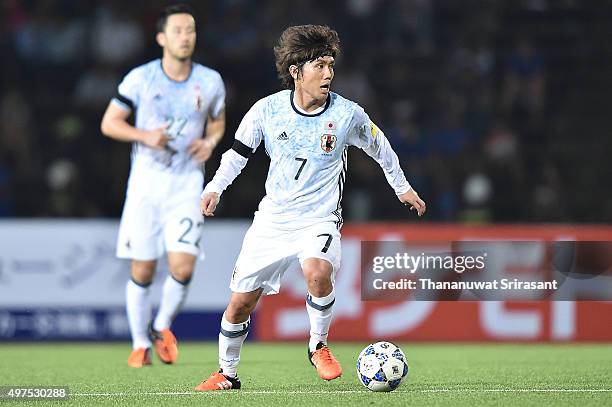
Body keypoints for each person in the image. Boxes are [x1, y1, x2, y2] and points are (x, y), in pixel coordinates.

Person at [195, 25, 425, 391]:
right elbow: (237, 156)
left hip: (319, 219)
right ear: (296, 72)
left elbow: (381, 148)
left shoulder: (348, 115)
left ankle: (318, 345)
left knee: (317, 272)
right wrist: (215, 189)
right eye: (319, 65)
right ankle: (227, 373)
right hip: (272, 221)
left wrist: (403, 188)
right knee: (239, 304)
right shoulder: (266, 111)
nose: (329, 73)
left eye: (331, 65)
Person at [100, 4, 226, 368]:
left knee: (183, 267)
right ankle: (139, 345)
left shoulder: (210, 81)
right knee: (142, 269)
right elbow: (110, 123)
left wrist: (210, 142)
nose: (185, 36)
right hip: (146, 186)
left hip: (187, 183)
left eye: (190, 30)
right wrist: (144, 135)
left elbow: (217, 122)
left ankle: (160, 327)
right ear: (161, 38)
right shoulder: (141, 79)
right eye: (178, 30)